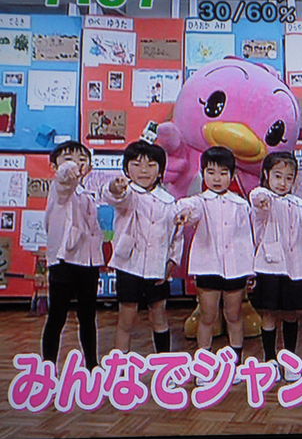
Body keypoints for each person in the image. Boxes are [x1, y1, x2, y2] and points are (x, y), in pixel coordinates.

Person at [175, 147, 254, 383]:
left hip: (236, 268)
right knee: (207, 316)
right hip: (207, 267)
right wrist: (184, 214)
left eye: (223, 173)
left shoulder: (240, 204)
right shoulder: (199, 202)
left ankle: (235, 363)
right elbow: (188, 209)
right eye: (211, 172)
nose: (217, 178)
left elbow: (246, 238)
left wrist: (250, 271)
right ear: (203, 174)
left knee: (234, 316)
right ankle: (203, 365)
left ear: (232, 175)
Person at [104, 140, 183, 355]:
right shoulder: (127, 194)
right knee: (126, 318)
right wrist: (115, 187)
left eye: (151, 165)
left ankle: (164, 364)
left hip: (158, 266)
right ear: (126, 168)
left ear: (160, 170)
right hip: (129, 265)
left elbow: (177, 235)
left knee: (159, 315)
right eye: (136, 164)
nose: (144, 170)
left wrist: (172, 262)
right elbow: (113, 195)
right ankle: (120, 365)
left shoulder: (169, 201)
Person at [249, 152, 302, 381]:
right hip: (268, 267)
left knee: (290, 314)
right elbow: (257, 199)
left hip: (295, 268)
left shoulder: (300, 204)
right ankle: (270, 359)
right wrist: (261, 199)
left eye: (289, 178)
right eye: (277, 176)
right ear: (266, 175)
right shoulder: (263, 201)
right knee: (268, 313)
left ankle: (290, 360)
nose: (282, 182)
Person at [42, 141, 104, 371]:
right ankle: (48, 367)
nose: (76, 163)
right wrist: (70, 168)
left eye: (82, 159)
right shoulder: (60, 187)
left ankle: (92, 365)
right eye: (68, 158)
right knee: (57, 316)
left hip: (88, 262)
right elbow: (65, 178)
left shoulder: (87, 192)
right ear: (54, 166)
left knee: (88, 317)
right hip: (64, 261)